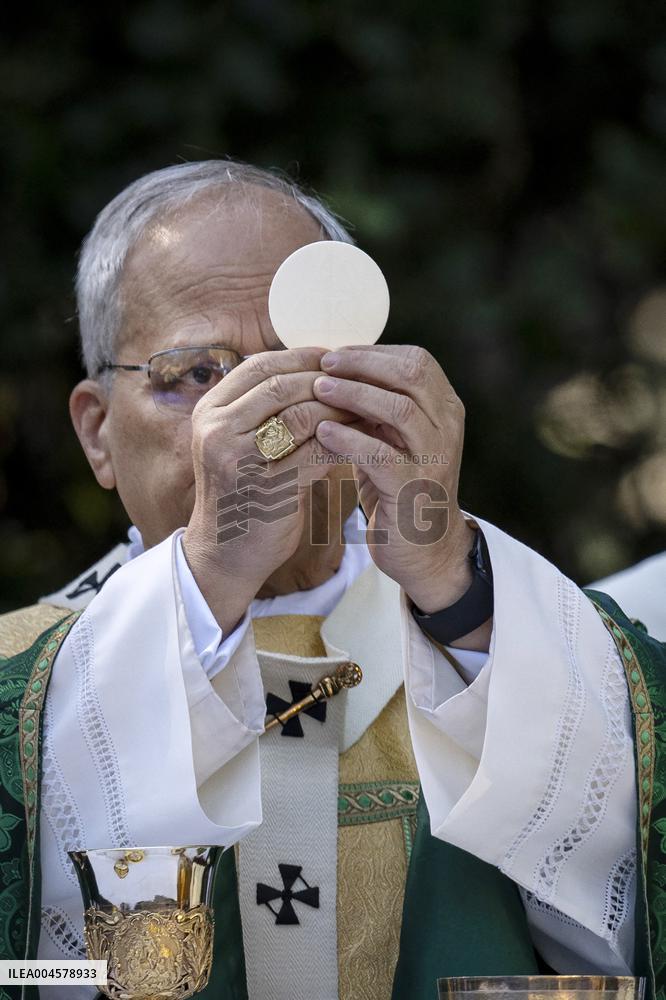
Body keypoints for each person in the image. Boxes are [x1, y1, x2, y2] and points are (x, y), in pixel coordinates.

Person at [0, 160, 660, 1000]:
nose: (262, 420)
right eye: (200, 374)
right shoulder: (17, 692)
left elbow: (629, 917)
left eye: (303, 371)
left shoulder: (510, 635)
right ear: (98, 434)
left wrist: (457, 591)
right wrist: (211, 572)